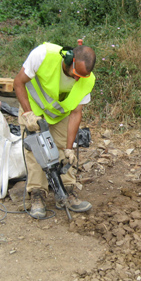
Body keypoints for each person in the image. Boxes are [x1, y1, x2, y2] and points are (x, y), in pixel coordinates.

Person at [13, 41, 96, 218]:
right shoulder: (43, 55)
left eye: (81, 77)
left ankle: (67, 192)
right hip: (33, 109)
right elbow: (18, 82)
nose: (76, 80)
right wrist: (28, 114)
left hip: (60, 116)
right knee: (36, 151)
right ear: (68, 60)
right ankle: (37, 194)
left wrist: (68, 147)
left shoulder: (87, 81)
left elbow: (76, 113)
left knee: (63, 151)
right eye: (75, 75)